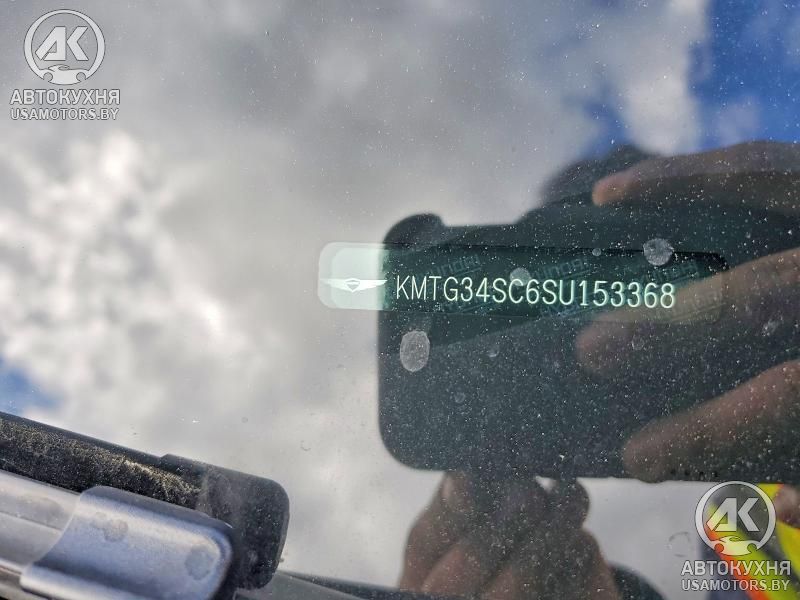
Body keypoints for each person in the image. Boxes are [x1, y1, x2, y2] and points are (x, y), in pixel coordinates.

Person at [399, 141, 800, 599]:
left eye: (674, 273)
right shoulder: (742, 532)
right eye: (566, 307)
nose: (640, 336)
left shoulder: (745, 526)